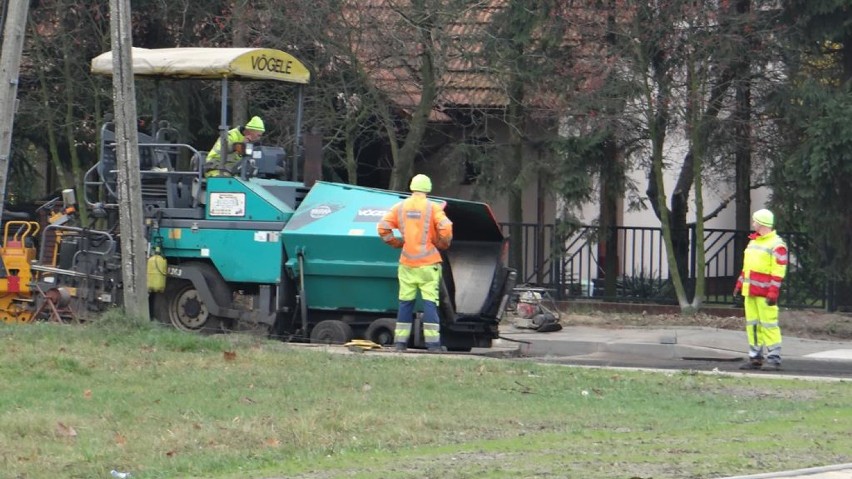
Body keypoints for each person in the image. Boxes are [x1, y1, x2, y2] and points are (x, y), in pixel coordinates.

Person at [377, 174, 453, 352]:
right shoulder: (433, 208)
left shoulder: (399, 207)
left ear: (411, 187)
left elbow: (382, 227)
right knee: (429, 303)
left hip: (407, 264)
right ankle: (433, 345)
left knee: (405, 303)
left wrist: (396, 243)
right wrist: (443, 243)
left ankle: (400, 343)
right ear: (428, 189)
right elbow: (446, 227)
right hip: (428, 265)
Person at [734, 208, 788, 371]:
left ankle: (773, 357)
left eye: (755, 220)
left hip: (764, 293)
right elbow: (747, 268)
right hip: (751, 291)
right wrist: (740, 283)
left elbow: (778, 271)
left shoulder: (776, 245)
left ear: (762, 223)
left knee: (769, 324)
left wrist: (773, 292)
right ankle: (755, 357)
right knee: (753, 325)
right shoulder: (754, 241)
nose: (753, 223)